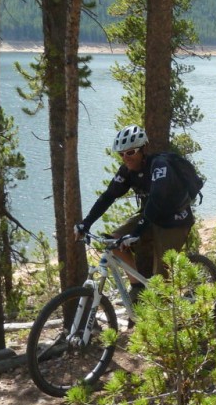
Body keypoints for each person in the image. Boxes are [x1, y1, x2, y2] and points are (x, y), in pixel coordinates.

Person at [74, 124, 195, 306]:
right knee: (113, 241)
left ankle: (170, 318)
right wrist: (86, 223)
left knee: (160, 279)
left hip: (174, 220)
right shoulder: (127, 171)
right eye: (121, 154)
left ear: (143, 149)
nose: (125, 158)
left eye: (130, 152)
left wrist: (137, 233)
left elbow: (156, 200)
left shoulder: (159, 167)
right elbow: (108, 197)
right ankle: (137, 286)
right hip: (150, 216)